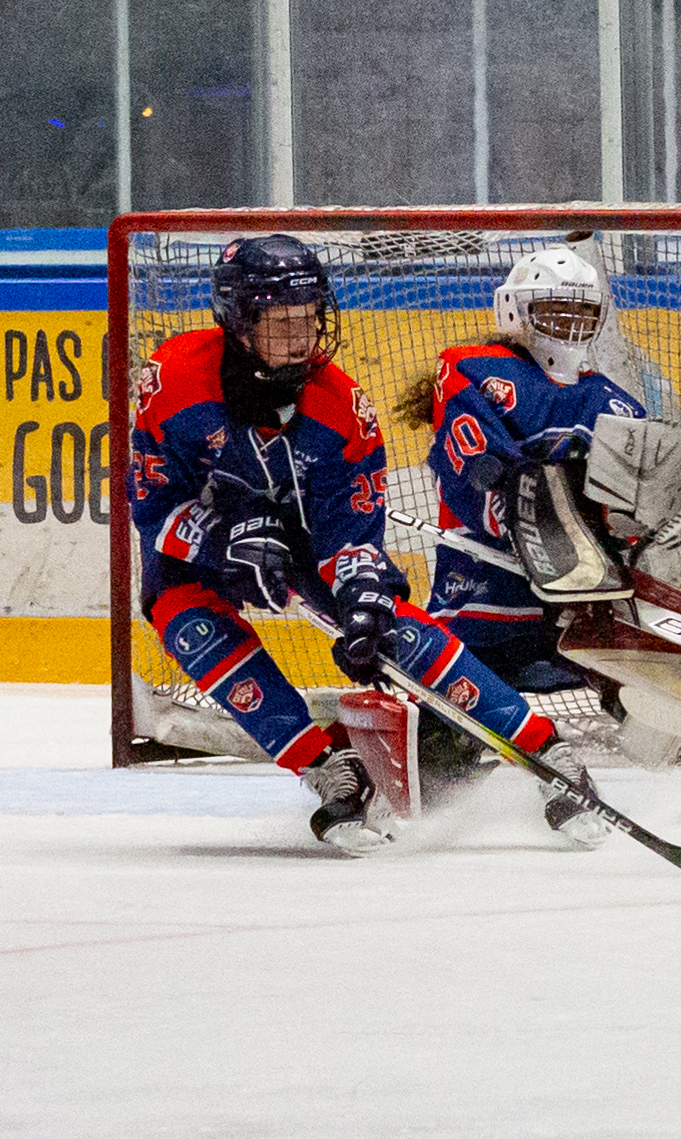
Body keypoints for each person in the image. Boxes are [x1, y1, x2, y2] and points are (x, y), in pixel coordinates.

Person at [128, 233, 607, 854]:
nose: (301, 338)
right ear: (238, 323)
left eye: (309, 319)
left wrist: (358, 601)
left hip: (302, 540)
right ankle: (327, 767)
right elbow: (153, 507)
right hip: (199, 547)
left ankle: (550, 753)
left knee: (392, 628)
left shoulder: (341, 408)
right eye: (280, 322)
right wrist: (225, 538)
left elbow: (351, 538)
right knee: (188, 624)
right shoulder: (171, 381)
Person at [403, 243, 647, 693]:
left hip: (572, 615)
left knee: (625, 677)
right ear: (514, 310)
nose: (569, 325)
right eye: (555, 310)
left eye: (582, 313)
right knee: (448, 733)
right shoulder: (474, 371)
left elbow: (625, 511)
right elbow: (481, 478)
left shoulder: (615, 404)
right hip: (479, 598)